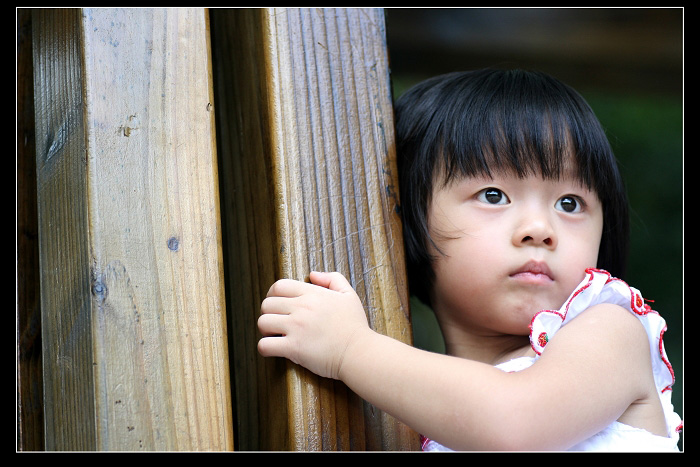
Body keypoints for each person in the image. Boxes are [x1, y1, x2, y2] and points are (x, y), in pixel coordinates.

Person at [257, 69, 682, 451]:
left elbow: (515, 424)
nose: (540, 228)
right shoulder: (426, 406)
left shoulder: (609, 332)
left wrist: (351, 348)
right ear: (408, 221)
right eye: (493, 196)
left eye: (570, 203)